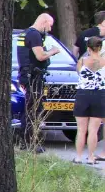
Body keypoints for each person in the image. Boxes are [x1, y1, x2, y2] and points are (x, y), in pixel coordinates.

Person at [17, 13, 63, 152]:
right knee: (33, 110)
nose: (49, 29)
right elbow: (40, 56)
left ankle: (27, 141)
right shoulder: (34, 35)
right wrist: (53, 51)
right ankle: (31, 142)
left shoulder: (26, 33)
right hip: (32, 76)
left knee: (31, 109)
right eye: (50, 25)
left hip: (29, 75)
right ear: (43, 22)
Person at [73, 36, 105, 164]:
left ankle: (79, 156)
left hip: (83, 95)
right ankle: (91, 157)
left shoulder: (82, 61)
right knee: (94, 129)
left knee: (81, 129)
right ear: (100, 47)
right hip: (99, 95)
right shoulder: (104, 61)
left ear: (88, 48)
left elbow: (79, 73)